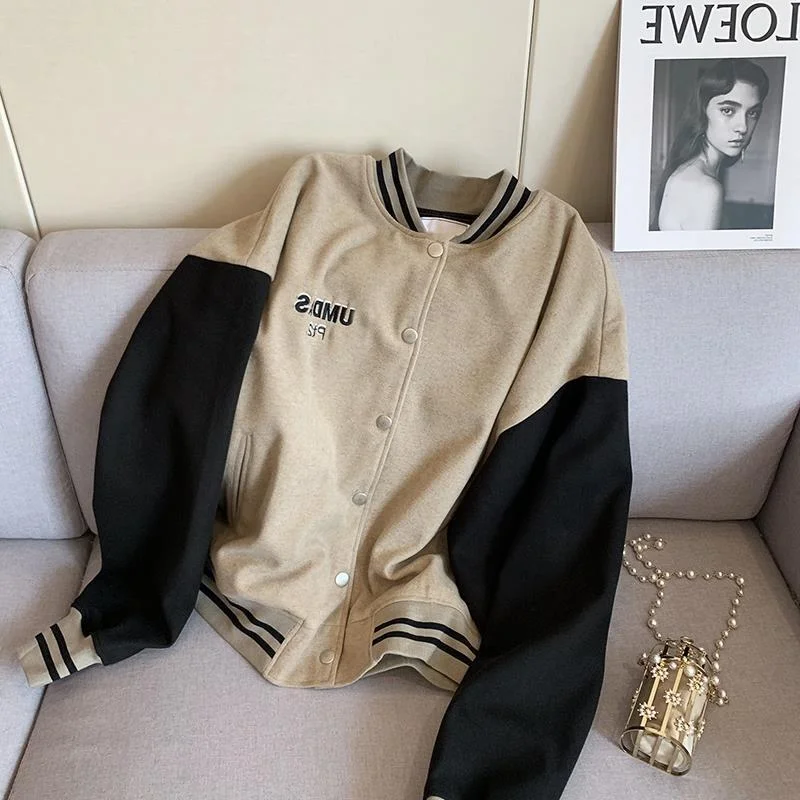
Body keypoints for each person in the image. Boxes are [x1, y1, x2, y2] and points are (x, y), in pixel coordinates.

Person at [652, 58, 769, 231]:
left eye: (752, 113)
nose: (743, 127)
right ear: (703, 111)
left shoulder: (689, 169)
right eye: (727, 110)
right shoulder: (707, 188)